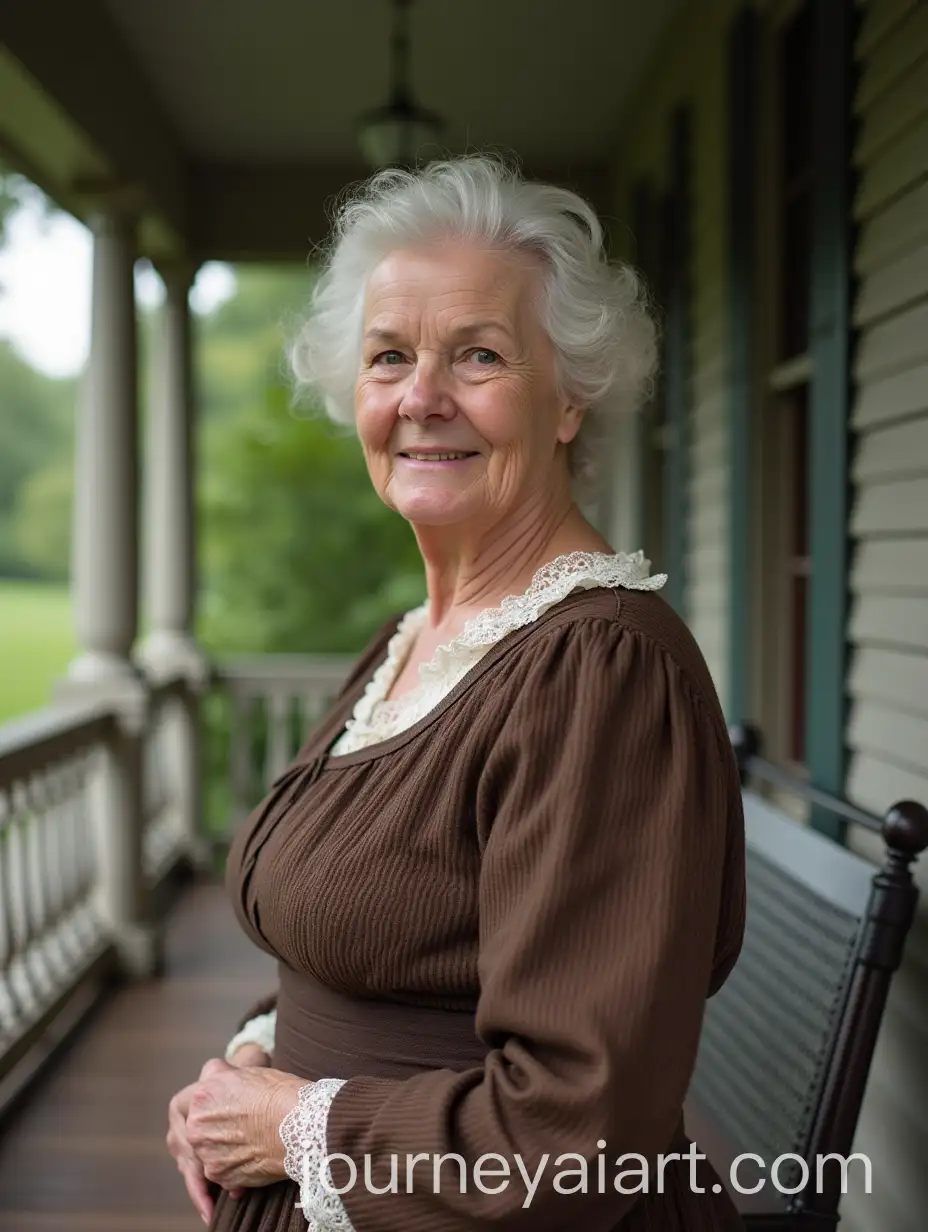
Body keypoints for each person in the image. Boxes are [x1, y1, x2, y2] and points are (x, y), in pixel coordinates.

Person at [166, 154, 746, 1231]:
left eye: (477, 354)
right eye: (390, 357)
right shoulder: (411, 642)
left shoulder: (602, 675)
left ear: (570, 396)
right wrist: (245, 1065)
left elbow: (580, 1130)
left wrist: (298, 1125)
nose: (421, 398)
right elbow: (380, 944)